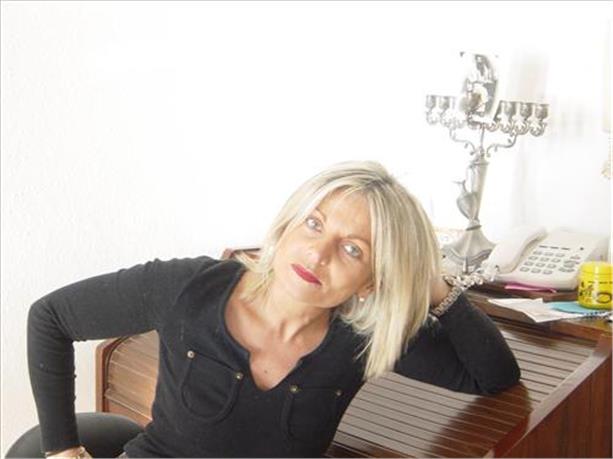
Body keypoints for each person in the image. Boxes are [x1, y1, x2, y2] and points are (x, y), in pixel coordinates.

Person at [28, 160, 521, 458]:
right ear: (287, 225)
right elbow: (50, 318)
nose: (318, 254)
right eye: (314, 224)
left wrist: (432, 286)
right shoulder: (188, 287)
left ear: (373, 280)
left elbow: (492, 376)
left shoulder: (367, 334)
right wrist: (63, 449)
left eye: (353, 249)